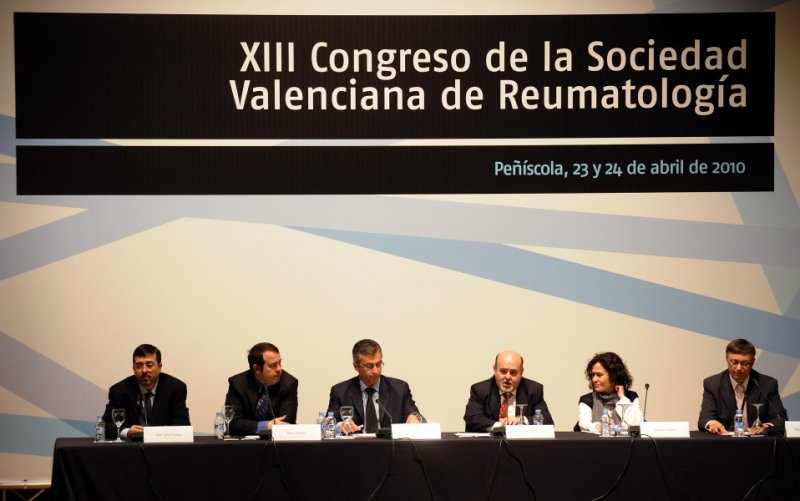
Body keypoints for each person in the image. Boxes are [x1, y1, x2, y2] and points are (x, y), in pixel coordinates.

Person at [327, 339, 423, 434]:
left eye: (378, 364)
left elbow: (414, 413)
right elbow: (329, 423)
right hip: (356, 443)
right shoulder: (340, 392)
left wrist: (414, 417)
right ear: (356, 366)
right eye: (369, 366)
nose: (375, 371)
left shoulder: (400, 389)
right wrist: (340, 426)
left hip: (389, 443)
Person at [699, 338, 788, 435]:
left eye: (744, 363)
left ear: (752, 362)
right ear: (727, 359)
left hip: (758, 441)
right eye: (734, 362)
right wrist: (712, 423)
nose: (738, 368)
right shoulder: (713, 384)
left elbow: (781, 418)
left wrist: (766, 427)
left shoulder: (767, 384)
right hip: (725, 440)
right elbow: (705, 418)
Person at [102, 344, 190, 439]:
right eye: (139, 366)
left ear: (160, 366)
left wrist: (156, 433)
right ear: (133, 368)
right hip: (132, 446)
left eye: (149, 365)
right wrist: (127, 432)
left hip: (163, 445)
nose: (144, 370)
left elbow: (182, 425)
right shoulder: (119, 391)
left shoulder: (175, 389)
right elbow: (106, 427)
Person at [464, 350, 554, 432]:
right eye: (503, 371)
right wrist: (501, 426)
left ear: (521, 372)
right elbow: (472, 419)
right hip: (490, 443)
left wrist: (522, 420)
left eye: (513, 372)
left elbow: (547, 421)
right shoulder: (480, 390)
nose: (507, 377)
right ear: (495, 369)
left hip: (522, 443)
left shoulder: (533, 390)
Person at [225, 342, 298, 435]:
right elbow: (232, 423)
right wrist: (265, 426)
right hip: (242, 441)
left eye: (279, 363)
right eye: (273, 365)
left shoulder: (289, 383)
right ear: (257, 369)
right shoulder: (238, 384)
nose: (279, 369)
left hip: (275, 442)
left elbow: (286, 424)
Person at [575, 352, 642, 433]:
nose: (594, 379)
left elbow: (636, 425)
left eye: (599, 375)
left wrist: (622, 397)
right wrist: (602, 427)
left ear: (614, 376)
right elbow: (583, 424)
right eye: (593, 375)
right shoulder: (587, 399)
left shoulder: (631, 397)